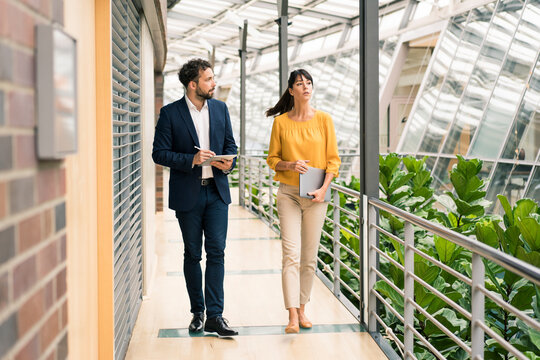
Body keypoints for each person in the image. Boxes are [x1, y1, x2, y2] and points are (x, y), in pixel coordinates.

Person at [152, 58, 238, 336]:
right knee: (193, 254)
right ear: (193, 84)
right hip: (188, 194)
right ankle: (197, 313)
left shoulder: (221, 109)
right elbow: (159, 153)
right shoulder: (170, 113)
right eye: (209, 79)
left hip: (216, 193)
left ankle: (216, 315)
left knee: (217, 252)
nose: (214, 84)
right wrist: (192, 159)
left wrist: (229, 162)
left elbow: (230, 146)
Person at [266, 69, 341, 334]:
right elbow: (272, 159)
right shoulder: (281, 123)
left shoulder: (324, 120)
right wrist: (290, 164)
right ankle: (292, 316)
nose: (306, 87)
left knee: (309, 257)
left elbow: (333, 160)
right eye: (300, 83)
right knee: (291, 255)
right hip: (288, 193)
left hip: (316, 195)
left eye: (309, 83)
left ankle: (303, 308)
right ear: (291, 90)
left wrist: (323, 189)